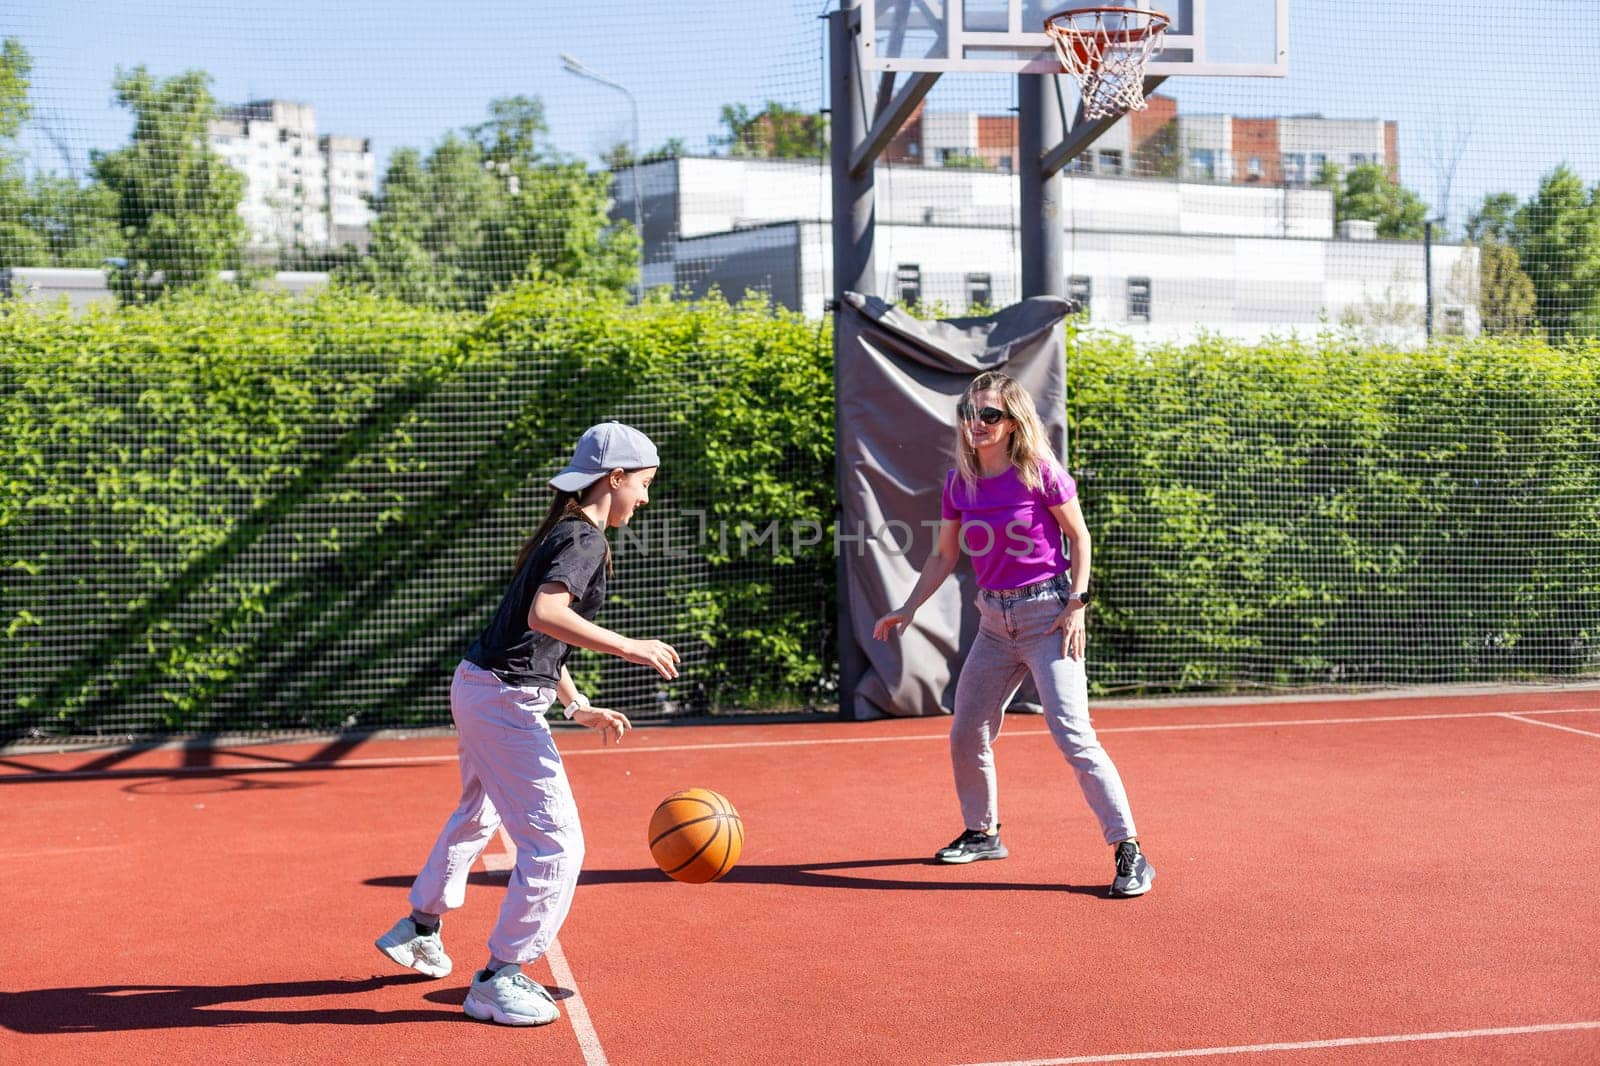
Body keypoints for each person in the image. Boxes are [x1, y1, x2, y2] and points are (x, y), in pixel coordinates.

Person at [375, 421, 681, 1026]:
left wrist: (574, 704)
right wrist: (630, 646)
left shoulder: (565, 530)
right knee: (558, 844)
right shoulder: (584, 539)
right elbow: (546, 614)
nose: (645, 498)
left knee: (477, 813)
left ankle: (419, 926)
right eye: (643, 484)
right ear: (614, 478)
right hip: (501, 701)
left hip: (481, 687)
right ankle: (500, 976)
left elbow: (532, 636)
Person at [871, 371, 1153, 898]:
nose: (976, 424)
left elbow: (1079, 537)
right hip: (994, 624)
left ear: (1012, 421)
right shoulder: (961, 482)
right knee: (966, 731)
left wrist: (1077, 605)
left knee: (1074, 736)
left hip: (1047, 615)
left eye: (989, 415)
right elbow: (944, 555)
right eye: (968, 414)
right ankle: (983, 833)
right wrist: (907, 608)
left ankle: (1129, 850)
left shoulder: (1040, 473)